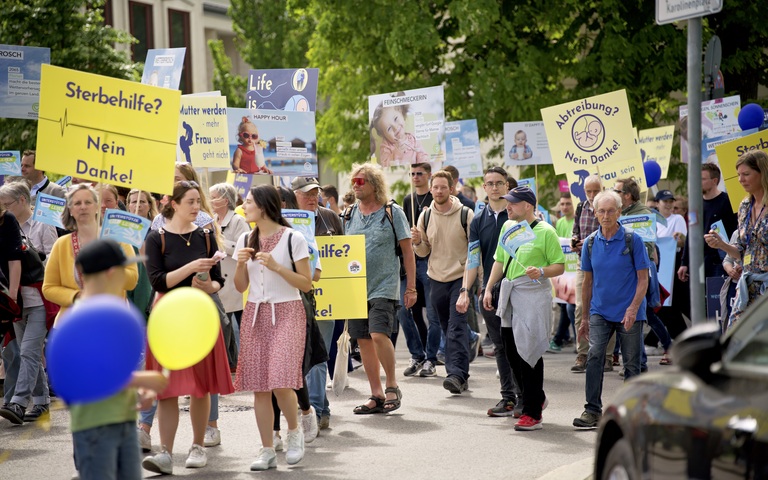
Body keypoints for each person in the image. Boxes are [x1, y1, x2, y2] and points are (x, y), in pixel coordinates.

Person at [141, 181, 234, 475]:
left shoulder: (207, 235)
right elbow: (157, 281)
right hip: (168, 318)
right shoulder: (156, 238)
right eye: (191, 202)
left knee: (200, 386)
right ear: (174, 204)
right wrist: (191, 269)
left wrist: (208, 284)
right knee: (167, 389)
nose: (197, 207)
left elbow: (220, 280)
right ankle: (166, 452)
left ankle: (197, 446)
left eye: (199, 201)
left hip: (199, 316)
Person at [68, 239, 168, 480]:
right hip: (96, 428)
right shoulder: (85, 319)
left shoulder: (108, 314)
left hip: (120, 421)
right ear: (112, 272)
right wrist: (143, 381)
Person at [233, 185, 312, 471]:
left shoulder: (294, 238)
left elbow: (306, 283)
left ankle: (294, 433)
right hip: (255, 312)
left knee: (280, 379)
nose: (244, 205)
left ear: (264, 206)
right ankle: (267, 448)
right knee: (259, 386)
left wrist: (278, 267)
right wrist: (241, 265)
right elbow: (241, 286)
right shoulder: (245, 237)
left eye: (249, 201)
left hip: (288, 311)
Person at [483, 186, 565, 431]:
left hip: (533, 294)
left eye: (513, 203)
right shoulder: (508, 227)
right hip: (510, 293)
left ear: (527, 205)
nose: (507, 206)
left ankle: (532, 412)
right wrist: (488, 288)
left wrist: (541, 271)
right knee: (510, 350)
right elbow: (500, 259)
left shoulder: (546, 231)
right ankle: (536, 397)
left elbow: (559, 266)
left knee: (529, 351)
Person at [342, 163, 416, 414]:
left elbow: (408, 251)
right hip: (355, 287)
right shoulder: (349, 214)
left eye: (361, 181)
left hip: (384, 285)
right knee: (362, 339)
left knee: (378, 334)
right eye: (353, 181)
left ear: (375, 184)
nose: (355, 185)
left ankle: (392, 385)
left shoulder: (392, 212)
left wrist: (411, 288)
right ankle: (376, 394)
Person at [573, 191, 649, 429]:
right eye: (601, 211)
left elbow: (643, 278)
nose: (606, 216)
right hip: (600, 311)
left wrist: (633, 308)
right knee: (595, 355)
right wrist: (584, 318)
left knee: (631, 363)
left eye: (610, 210)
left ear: (619, 212)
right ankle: (592, 410)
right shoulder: (590, 243)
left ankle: (631, 413)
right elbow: (587, 282)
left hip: (629, 311)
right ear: (595, 214)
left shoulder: (632, 239)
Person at [457, 167, 522, 416]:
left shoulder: (518, 215)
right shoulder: (479, 220)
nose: (495, 188)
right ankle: (508, 397)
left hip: (520, 289)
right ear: (484, 188)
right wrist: (465, 290)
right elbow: (473, 259)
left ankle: (526, 395)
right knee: (500, 346)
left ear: (507, 186)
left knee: (520, 344)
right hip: (491, 292)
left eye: (499, 183)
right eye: (490, 184)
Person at [412, 170, 474, 394]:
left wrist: (473, 280)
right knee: (449, 328)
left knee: (456, 327)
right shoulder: (425, 216)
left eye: (443, 187)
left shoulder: (465, 214)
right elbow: (423, 252)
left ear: (452, 189)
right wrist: (418, 242)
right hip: (436, 278)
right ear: (431, 190)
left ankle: (454, 375)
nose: (439, 191)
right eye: (435, 187)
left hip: (461, 276)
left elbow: (474, 251)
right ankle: (462, 372)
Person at [0, 182, 57, 424]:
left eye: (7, 204)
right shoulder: (7, 226)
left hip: (39, 298)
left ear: (22, 201)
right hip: (19, 302)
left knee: (28, 352)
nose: (4, 209)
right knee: (28, 352)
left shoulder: (43, 224)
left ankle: (19, 403)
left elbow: (53, 260)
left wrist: (32, 257)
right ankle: (42, 401)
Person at [42, 184, 138, 322]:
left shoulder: (117, 239)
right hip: (73, 321)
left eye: (88, 202)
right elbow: (49, 288)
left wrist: (111, 266)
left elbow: (132, 281)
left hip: (112, 319)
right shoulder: (61, 244)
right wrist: (77, 297)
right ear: (70, 209)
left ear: (96, 206)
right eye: (77, 203)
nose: (83, 207)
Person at [292, 176, 342, 431]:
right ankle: (320, 407)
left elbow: (345, 252)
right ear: (294, 195)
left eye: (315, 193)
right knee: (301, 355)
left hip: (326, 297)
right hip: (293, 297)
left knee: (318, 354)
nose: (313, 197)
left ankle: (316, 408)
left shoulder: (330, 217)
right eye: (306, 193)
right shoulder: (286, 220)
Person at [207, 183, 252, 447]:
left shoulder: (238, 221)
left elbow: (244, 248)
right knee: (224, 331)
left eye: (214, 197)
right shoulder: (210, 220)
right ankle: (228, 370)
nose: (211, 201)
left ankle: (240, 370)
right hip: (217, 285)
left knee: (237, 328)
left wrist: (224, 241)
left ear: (225, 200)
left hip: (235, 284)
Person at [705, 150, 768, 331]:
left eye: (746, 174)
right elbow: (741, 249)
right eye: (738, 174)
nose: (741, 179)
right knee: (736, 340)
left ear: (763, 173)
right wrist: (721, 244)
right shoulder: (744, 206)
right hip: (747, 286)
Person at [398, 162, 440, 378]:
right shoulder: (408, 200)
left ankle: (431, 358)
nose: (415, 177)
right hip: (411, 262)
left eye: (419, 173)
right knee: (403, 310)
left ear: (428, 176)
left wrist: (422, 238)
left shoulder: (436, 199)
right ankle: (417, 354)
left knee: (433, 314)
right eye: (412, 173)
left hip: (431, 261)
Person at [678, 163, 738, 280]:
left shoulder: (727, 202)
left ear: (714, 181)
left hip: (721, 261)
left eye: (702, 179)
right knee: (700, 297)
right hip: (700, 262)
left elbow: (736, 233)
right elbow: (691, 233)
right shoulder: (694, 205)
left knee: (718, 296)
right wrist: (684, 262)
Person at [570, 175, 603, 373]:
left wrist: (591, 242)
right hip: (583, 262)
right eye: (588, 191)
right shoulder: (581, 207)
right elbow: (576, 230)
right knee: (580, 307)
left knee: (605, 307)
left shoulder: (607, 207)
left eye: (595, 191)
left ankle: (606, 356)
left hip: (604, 264)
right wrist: (575, 241)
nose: (591, 195)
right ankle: (582, 353)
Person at [150, 163, 216, 232]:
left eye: (177, 179)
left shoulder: (202, 219)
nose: (173, 184)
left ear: (189, 183)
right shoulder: (160, 219)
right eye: (170, 180)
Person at [550, 192, 576, 352]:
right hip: (564, 269)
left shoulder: (576, 221)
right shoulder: (559, 222)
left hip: (575, 268)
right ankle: (563, 337)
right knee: (565, 304)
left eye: (568, 204)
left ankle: (560, 338)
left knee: (570, 305)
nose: (565, 207)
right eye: (562, 204)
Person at [369, 101, 429, 167]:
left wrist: (423, 166)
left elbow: (422, 155)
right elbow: (385, 166)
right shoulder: (386, 146)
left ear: (401, 113)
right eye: (389, 128)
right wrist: (397, 152)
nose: (395, 128)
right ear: (384, 136)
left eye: (395, 119)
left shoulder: (413, 138)